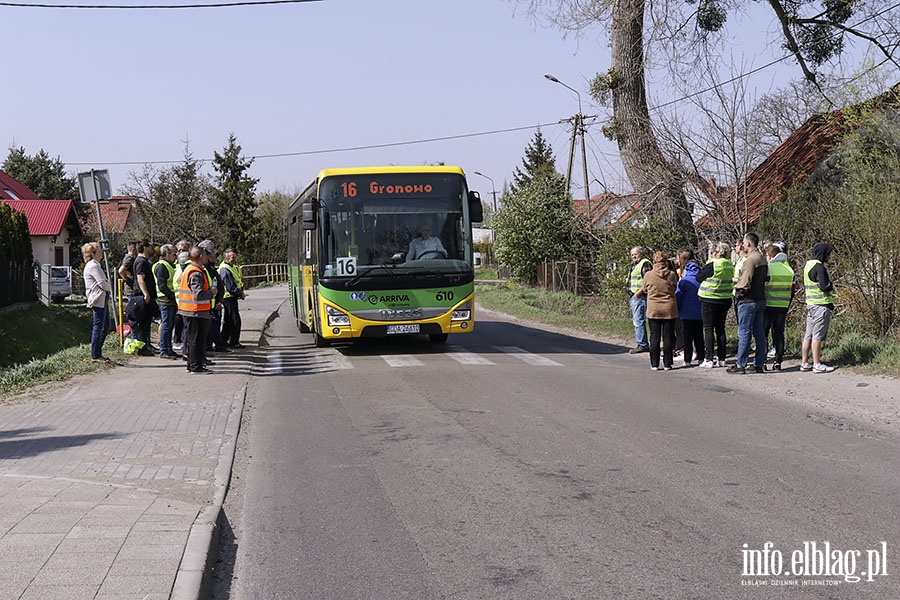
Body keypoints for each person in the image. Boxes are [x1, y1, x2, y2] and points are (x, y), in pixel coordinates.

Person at [728, 232, 768, 374]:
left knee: (744, 332)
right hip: (760, 299)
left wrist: (738, 295)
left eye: (744, 243)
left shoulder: (750, 260)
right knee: (759, 333)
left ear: (749, 244)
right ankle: (759, 364)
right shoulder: (762, 258)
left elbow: (744, 282)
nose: (743, 245)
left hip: (748, 300)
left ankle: (741, 365)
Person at [635, 251, 679, 370]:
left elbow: (644, 288)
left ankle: (654, 363)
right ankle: (667, 363)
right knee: (668, 336)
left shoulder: (649, 275)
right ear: (666, 261)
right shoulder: (671, 274)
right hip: (669, 308)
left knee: (654, 336)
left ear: (654, 261)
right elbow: (675, 287)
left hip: (654, 308)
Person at [177, 246, 216, 374]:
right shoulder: (196, 272)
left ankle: (193, 365)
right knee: (196, 340)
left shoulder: (191, 269)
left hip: (192, 310)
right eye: (205, 255)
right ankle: (195, 366)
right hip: (195, 311)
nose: (207, 257)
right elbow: (198, 294)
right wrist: (212, 292)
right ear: (200, 257)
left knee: (193, 339)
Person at [697, 242, 734, 368]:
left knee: (708, 329)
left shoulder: (713, 264)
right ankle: (722, 358)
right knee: (720, 329)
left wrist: (710, 261)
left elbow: (699, 277)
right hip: (725, 299)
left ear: (715, 252)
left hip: (709, 299)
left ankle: (708, 358)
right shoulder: (730, 265)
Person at [801, 242, 836, 374]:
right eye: (828, 254)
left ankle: (804, 363)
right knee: (817, 336)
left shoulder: (808, 265)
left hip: (810, 304)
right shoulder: (819, 267)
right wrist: (830, 284)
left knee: (808, 335)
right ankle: (817, 364)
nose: (830, 256)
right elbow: (824, 286)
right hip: (821, 305)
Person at [764, 242, 795, 371]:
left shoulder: (768, 268)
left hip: (768, 305)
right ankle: (778, 362)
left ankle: (763, 361)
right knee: (779, 333)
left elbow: (762, 285)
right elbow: (792, 289)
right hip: (783, 305)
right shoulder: (789, 269)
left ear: (770, 256)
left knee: (763, 333)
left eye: (766, 255)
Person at [82, 242, 112, 363]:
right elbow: (102, 283)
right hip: (98, 298)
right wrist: (110, 287)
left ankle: (98, 353)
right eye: (98, 250)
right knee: (99, 327)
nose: (101, 252)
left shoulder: (95, 265)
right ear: (93, 254)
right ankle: (96, 354)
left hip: (101, 297)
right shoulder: (93, 266)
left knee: (105, 326)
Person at [675, 249, 705, 367]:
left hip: (686, 312)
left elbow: (678, 295)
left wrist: (677, 307)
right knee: (699, 335)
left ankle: (687, 359)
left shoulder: (684, 280)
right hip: (700, 310)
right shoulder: (701, 277)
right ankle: (701, 357)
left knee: (687, 337)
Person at [128, 240, 158, 355]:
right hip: (142, 297)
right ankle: (142, 348)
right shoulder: (141, 262)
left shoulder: (144, 261)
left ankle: (145, 346)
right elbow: (140, 279)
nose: (153, 249)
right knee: (143, 323)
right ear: (145, 248)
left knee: (146, 323)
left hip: (146, 296)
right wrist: (146, 294)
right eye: (151, 247)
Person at [154, 244, 179, 359]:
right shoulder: (162, 266)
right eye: (174, 254)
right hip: (166, 300)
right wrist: (173, 296)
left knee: (170, 325)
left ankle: (169, 348)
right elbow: (162, 285)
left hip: (170, 300)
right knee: (166, 325)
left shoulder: (169, 265)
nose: (176, 256)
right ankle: (164, 350)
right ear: (167, 255)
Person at [219, 248, 247, 349]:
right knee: (235, 320)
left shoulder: (231, 267)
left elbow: (236, 281)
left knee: (229, 320)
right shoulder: (225, 269)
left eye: (235, 257)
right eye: (232, 257)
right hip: (228, 298)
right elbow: (230, 287)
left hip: (231, 297)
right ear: (226, 257)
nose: (234, 259)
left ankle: (224, 340)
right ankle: (233, 342)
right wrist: (240, 294)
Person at [626, 246, 652, 354]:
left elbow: (648, 280)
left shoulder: (645, 263)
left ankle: (642, 344)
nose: (634, 256)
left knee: (638, 321)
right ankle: (642, 342)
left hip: (640, 296)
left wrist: (638, 293)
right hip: (635, 297)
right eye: (632, 255)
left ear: (641, 253)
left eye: (636, 254)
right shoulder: (634, 265)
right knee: (637, 321)